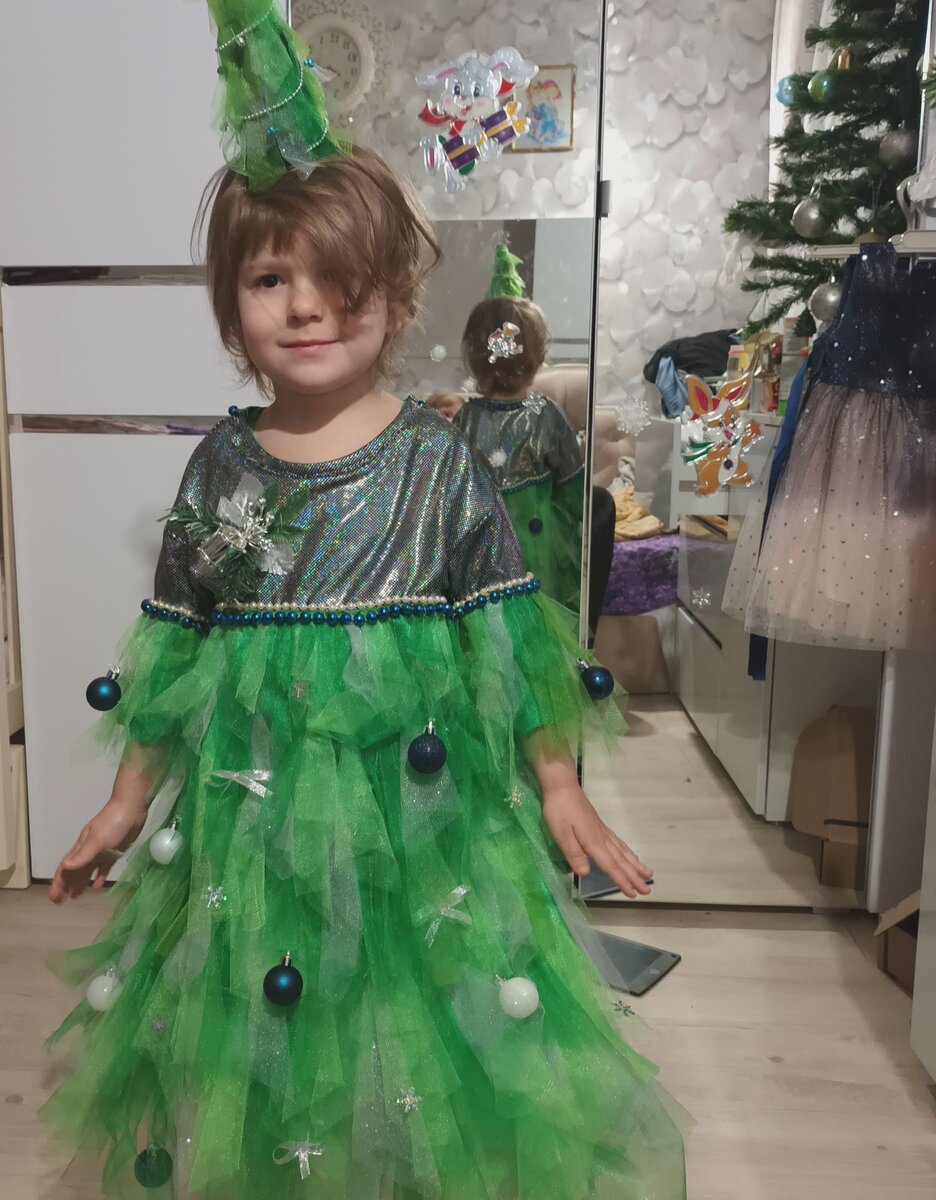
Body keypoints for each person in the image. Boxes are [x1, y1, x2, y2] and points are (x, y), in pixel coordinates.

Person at [42, 6, 686, 1198]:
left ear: (393, 295)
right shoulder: (221, 468)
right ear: (230, 308)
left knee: (413, 1016)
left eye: (338, 280)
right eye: (269, 279)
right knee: (269, 1023)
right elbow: (172, 647)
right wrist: (125, 803)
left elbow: (507, 634)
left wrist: (556, 783)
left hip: (419, 823)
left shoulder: (439, 461)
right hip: (251, 828)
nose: (305, 306)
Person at [447, 245, 585, 612]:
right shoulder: (546, 415)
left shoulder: (467, 418)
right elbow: (575, 493)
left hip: (486, 551)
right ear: (536, 355)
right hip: (538, 549)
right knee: (540, 619)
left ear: (475, 357)